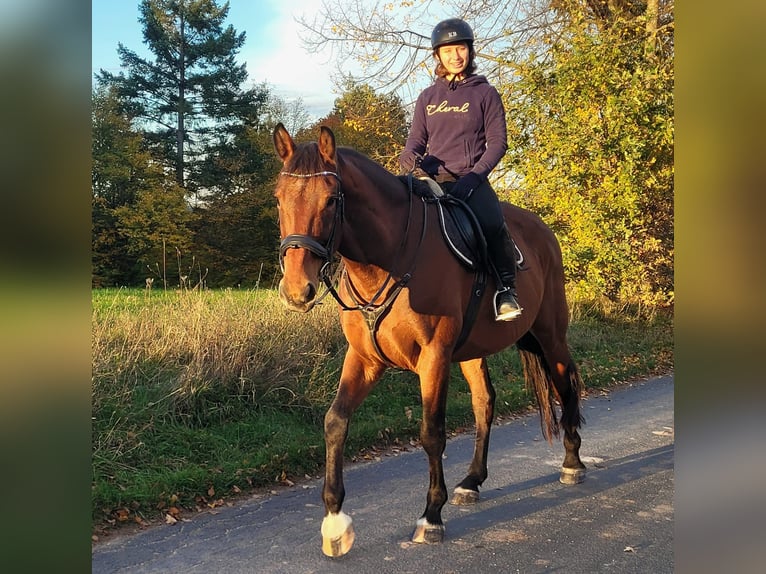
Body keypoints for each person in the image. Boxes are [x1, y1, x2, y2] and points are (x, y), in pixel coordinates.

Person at [399, 18, 522, 321]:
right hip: (432, 181)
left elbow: (498, 143)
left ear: (470, 51)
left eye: (461, 48)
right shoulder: (427, 97)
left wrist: (475, 176)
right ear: (437, 56)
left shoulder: (485, 94)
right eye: (449, 50)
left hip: (471, 180)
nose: (456, 55)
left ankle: (506, 290)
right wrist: (409, 158)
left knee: (493, 223)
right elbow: (416, 140)